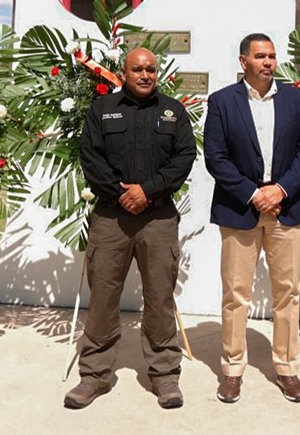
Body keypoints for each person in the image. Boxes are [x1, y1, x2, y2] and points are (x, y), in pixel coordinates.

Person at [64, 47, 197, 410]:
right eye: (137, 69)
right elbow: (90, 156)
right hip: (111, 219)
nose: (144, 75)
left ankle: (164, 374)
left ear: (158, 72)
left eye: (151, 69)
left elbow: (185, 157)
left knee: (159, 298)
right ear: (123, 72)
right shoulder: (102, 109)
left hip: (158, 219)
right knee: (104, 298)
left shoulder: (172, 111)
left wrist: (147, 191)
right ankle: (94, 376)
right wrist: (122, 195)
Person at [203, 33, 300, 404]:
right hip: (240, 209)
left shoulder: (295, 99)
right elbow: (215, 158)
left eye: (271, 56)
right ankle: (232, 370)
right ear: (243, 61)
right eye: (260, 56)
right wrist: (254, 194)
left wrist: (280, 190)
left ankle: (286, 368)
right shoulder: (222, 101)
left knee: (287, 293)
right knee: (236, 294)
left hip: (287, 207)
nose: (268, 62)